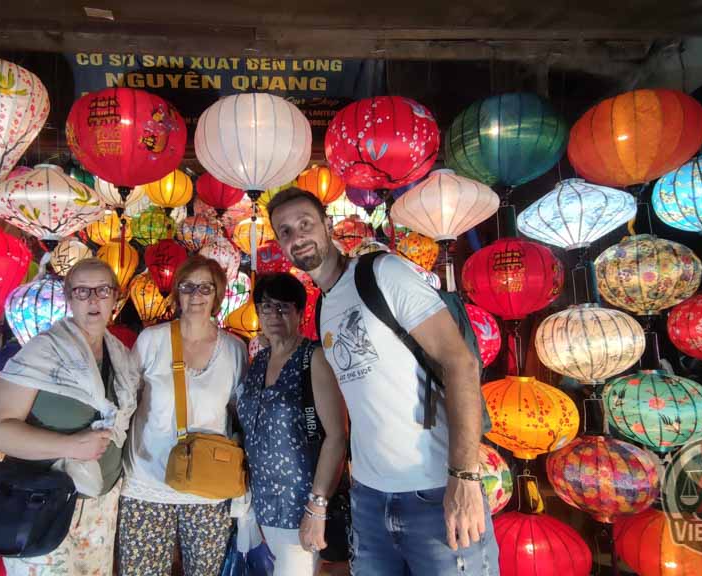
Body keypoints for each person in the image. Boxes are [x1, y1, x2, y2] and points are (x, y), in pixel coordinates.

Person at [267, 188, 499, 576]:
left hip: (434, 491)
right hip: (370, 500)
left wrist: (463, 477)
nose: (297, 237)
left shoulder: (382, 273)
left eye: (305, 224)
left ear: (328, 226)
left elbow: (459, 362)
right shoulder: (324, 306)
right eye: (285, 231)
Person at [0, 258, 141, 576]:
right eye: (82, 291)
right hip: (41, 504)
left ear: (115, 299)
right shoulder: (43, 352)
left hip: (99, 503)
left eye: (102, 290)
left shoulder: (121, 355)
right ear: (68, 299)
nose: (93, 300)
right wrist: (69, 446)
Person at [117, 255, 248, 576]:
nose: (196, 296)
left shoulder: (234, 350)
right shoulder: (152, 340)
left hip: (207, 486)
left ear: (217, 295)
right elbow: (126, 400)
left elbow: (238, 415)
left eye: (206, 288)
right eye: (188, 287)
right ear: (177, 293)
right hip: (147, 481)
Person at [235, 273, 348, 575]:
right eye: (266, 307)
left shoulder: (314, 359)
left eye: (283, 307)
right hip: (256, 506)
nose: (273, 315)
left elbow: (337, 437)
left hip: (299, 507)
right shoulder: (258, 361)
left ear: (300, 312)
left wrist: (317, 506)